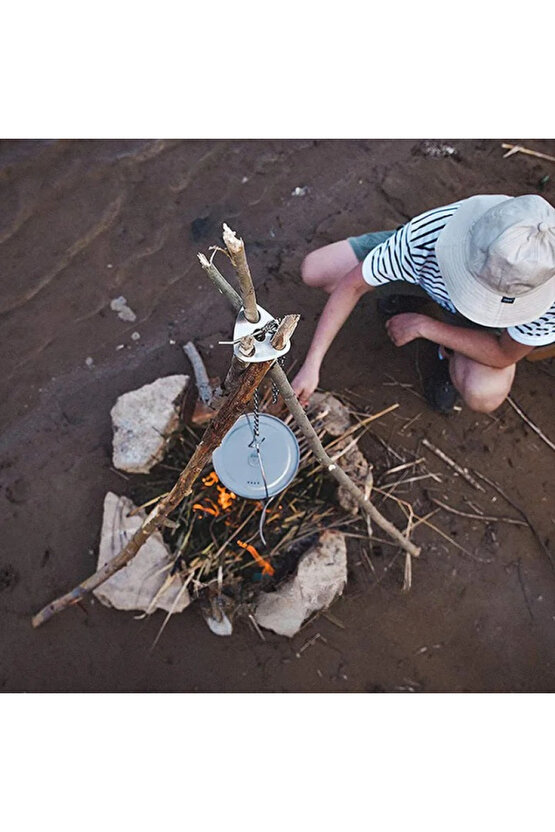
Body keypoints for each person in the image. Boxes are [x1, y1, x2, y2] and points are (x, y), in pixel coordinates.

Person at [291, 194, 555, 413]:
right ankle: (403, 284)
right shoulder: (434, 232)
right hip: (426, 274)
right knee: (318, 270)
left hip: (479, 326)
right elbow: (353, 284)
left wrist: (425, 327)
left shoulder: (548, 286)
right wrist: (312, 364)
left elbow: (505, 354)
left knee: (484, 393)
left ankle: (448, 356)